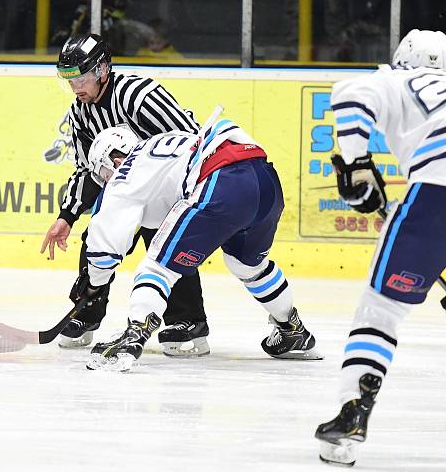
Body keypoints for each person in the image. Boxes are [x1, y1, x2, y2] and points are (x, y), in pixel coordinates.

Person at [76, 119, 322, 372]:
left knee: (159, 266)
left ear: (113, 160)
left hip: (221, 181)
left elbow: (104, 247)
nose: (106, 181)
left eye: (102, 174)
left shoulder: (124, 174)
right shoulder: (160, 145)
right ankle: (292, 330)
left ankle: (134, 335)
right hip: (264, 178)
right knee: (249, 266)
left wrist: (94, 284)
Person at [314, 29, 446, 466]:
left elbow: (350, 94)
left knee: (381, 311)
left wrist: (356, 164)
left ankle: (353, 413)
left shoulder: (396, 80)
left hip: (436, 192)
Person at [42, 33, 210, 356]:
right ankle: (86, 312)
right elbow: (86, 171)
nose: (76, 88)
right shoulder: (81, 114)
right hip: (128, 192)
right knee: (98, 236)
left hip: (170, 187)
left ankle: (188, 319)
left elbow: (191, 141)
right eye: (69, 80)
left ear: (102, 69)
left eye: (81, 78)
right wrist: (67, 216)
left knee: (166, 241)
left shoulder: (138, 96)